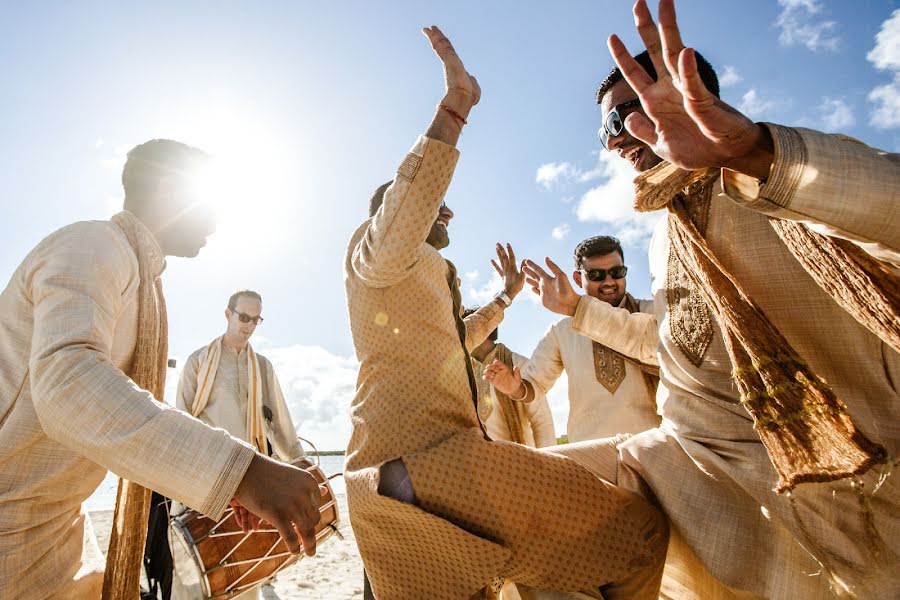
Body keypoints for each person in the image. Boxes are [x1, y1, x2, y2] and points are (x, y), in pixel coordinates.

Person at [526, 1, 899, 597]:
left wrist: (751, 153)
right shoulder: (665, 233)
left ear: (694, 94)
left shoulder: (774, 181)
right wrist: (575, 311)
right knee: (526, 505)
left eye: (635, 110)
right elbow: (675, 343)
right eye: (608, 127)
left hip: (848, 497)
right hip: (693, 480)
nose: (621, 137)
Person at [343, 25, 668, 600]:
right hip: (421, 468)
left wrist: (508, 295)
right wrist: (454, 109)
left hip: (434, 472)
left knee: (519, 580)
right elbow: (403, 213)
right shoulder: (376, 252)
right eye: (431, 203)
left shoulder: (420, 276)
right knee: (638, 534)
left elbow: (457, 340)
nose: (446, 209)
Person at [0, 139, 323, 600]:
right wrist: (240, 472)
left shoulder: (145, 282)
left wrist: (234, 484)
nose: (217, 221)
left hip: (58, 534)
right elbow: (68, 386)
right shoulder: (90, 246)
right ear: (172, 190)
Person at [171, 289, 306, 599]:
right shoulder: (198, 362)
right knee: (195, 578)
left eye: (256, 320)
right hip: (206, 479)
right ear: (228, 314)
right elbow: (181, 421)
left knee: (244, 575)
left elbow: (281, 423)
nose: (249, 325)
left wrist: (299, 465)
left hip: (251, 481)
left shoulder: (262, 366)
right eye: (243, 317)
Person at [484, 236, 659, 443]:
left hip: (655, 447)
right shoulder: (562, 331)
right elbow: (535, 385)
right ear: (578, 279)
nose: (609, 282)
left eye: (617, 272)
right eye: (596, 275)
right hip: (591, 455)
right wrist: (515, 389)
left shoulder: (654, 314)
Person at [466, 308, 556, 448]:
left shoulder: (518, 364)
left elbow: (542, 421)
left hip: (520, 460)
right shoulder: (463, 373)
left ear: (485, 329)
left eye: (468, 328)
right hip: (480, 463)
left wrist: (549, 465)